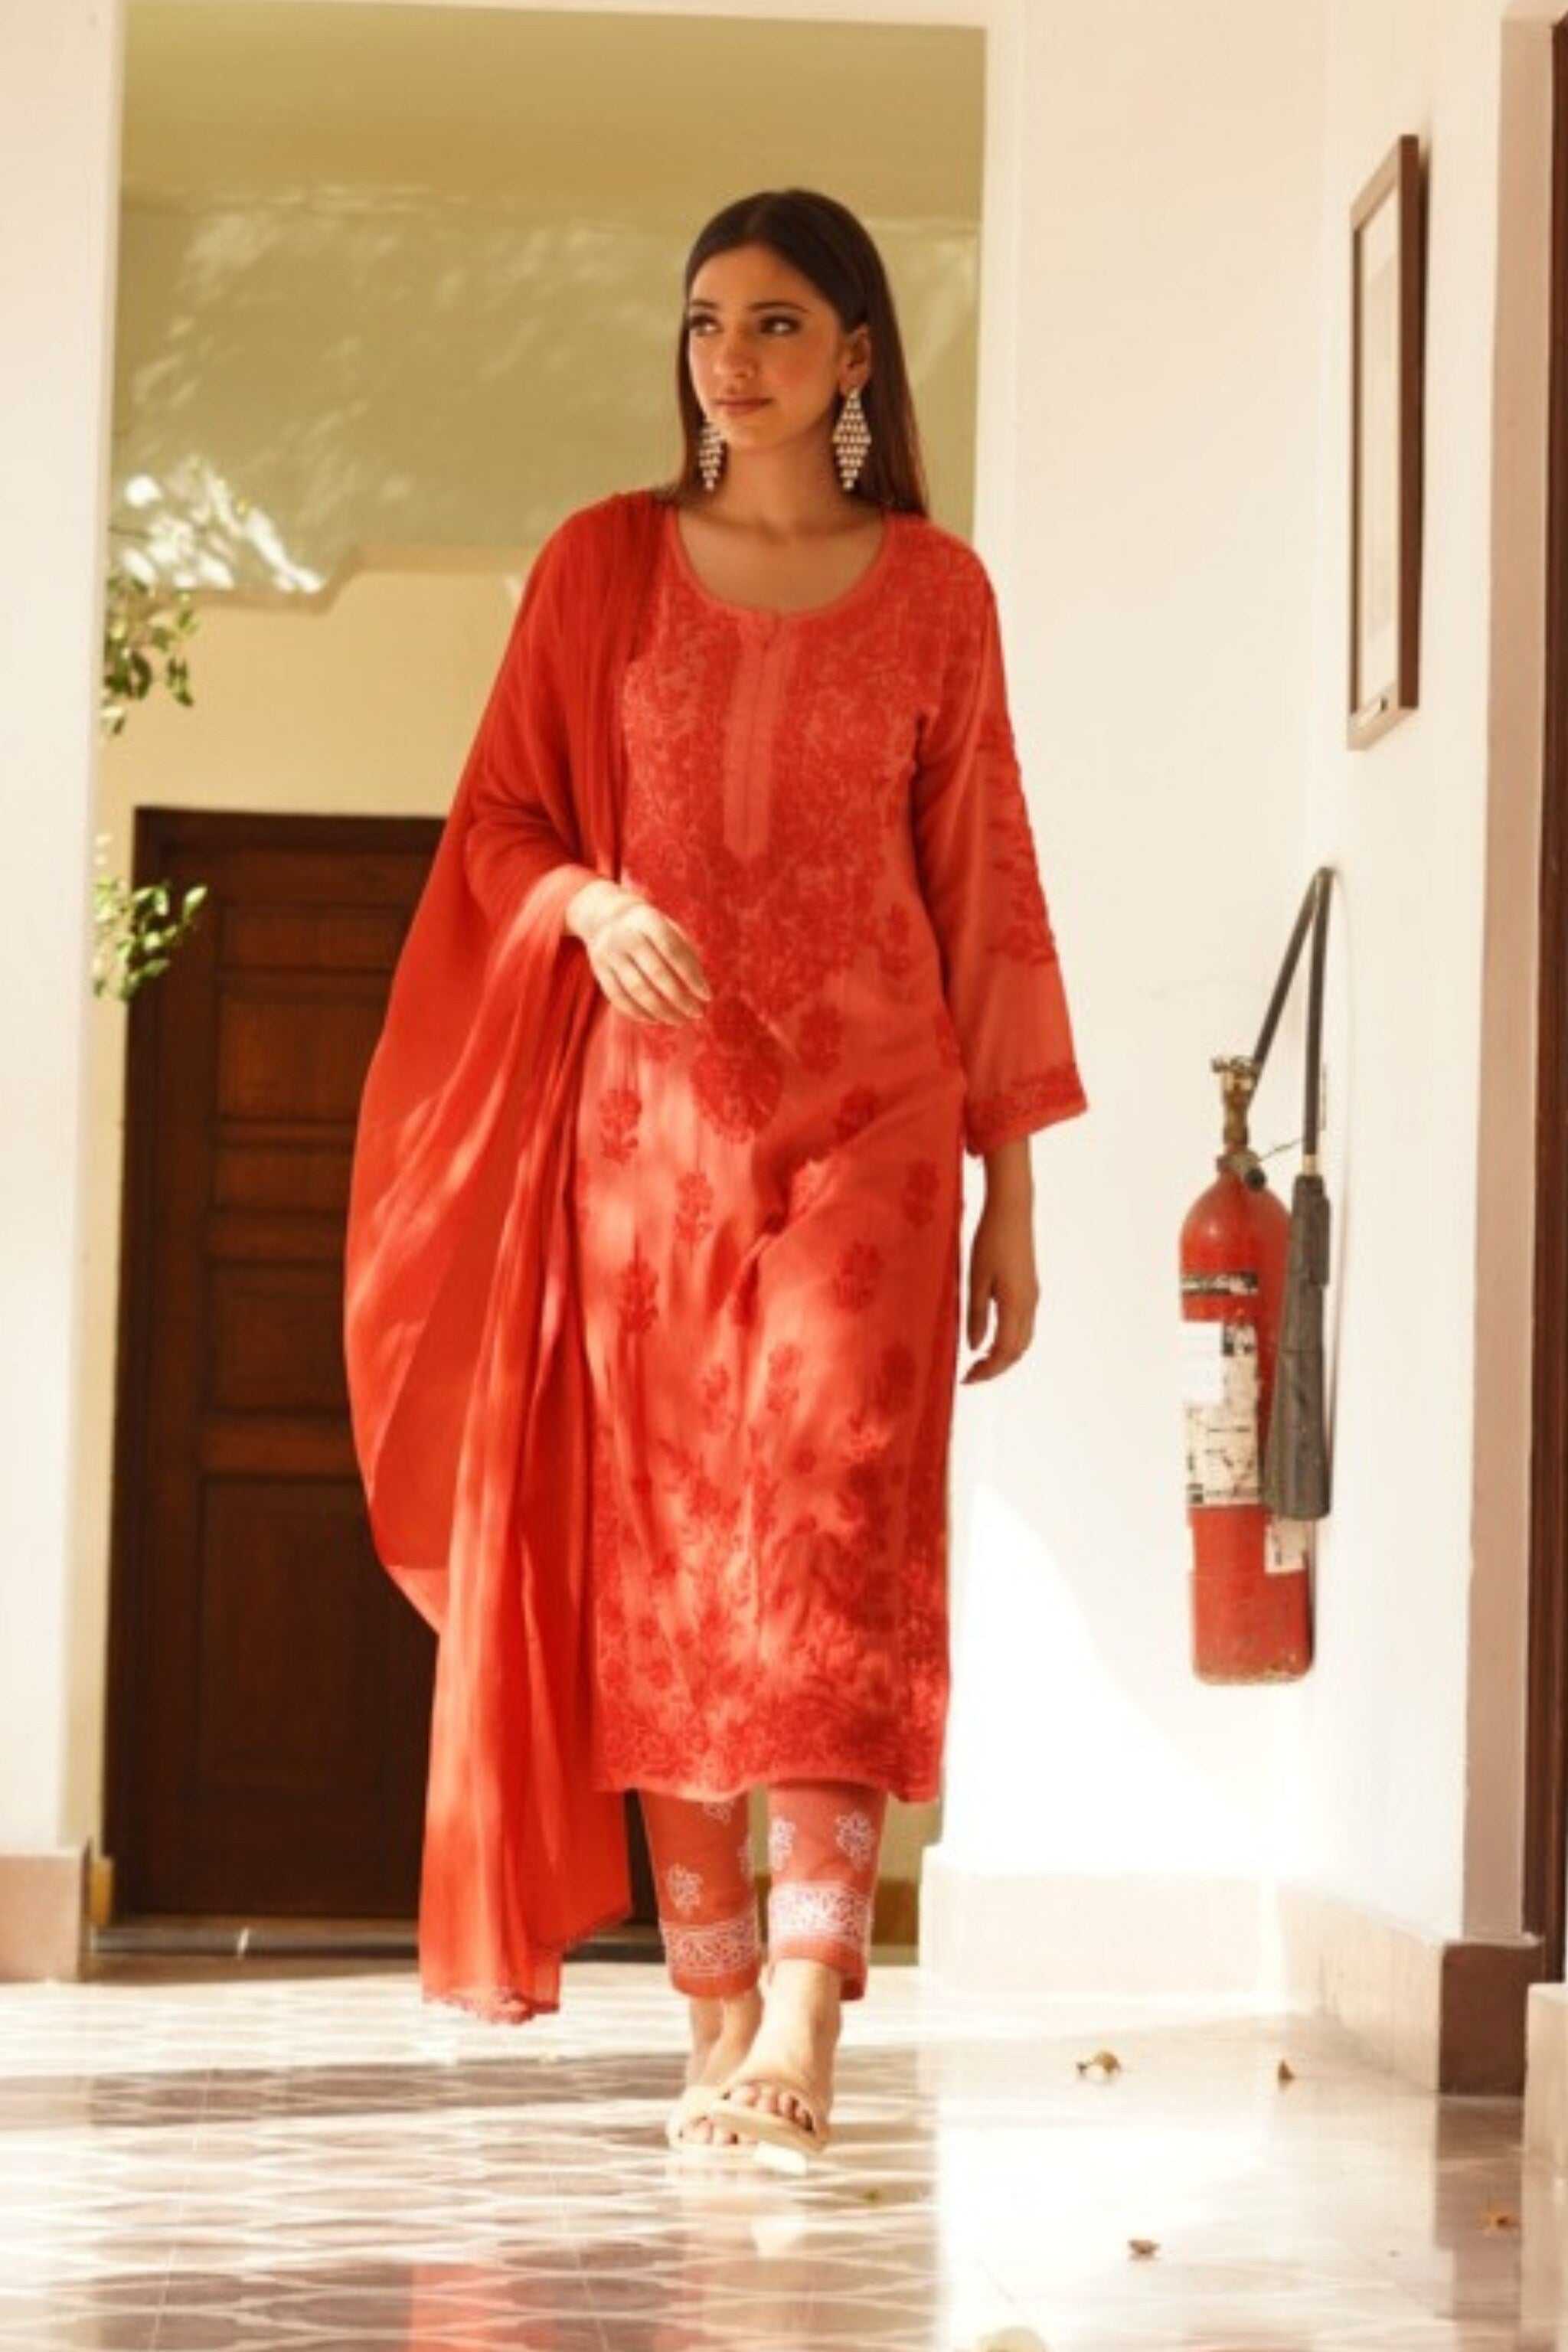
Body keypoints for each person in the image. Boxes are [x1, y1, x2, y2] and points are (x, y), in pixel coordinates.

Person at [343, 185, 1088, 2171]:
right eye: (705, 322)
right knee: (674, 1563)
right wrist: (585, 903)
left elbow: (987, 886)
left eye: (776, 323)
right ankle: (707, 1998)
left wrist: (1012, 1186)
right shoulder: (601, 567)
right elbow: (503, 813)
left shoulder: (938, 591)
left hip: (879, 1119)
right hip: (647, 1138)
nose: (730, 358)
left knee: (836, 1523)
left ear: (856, 356)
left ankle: (818, 1996)